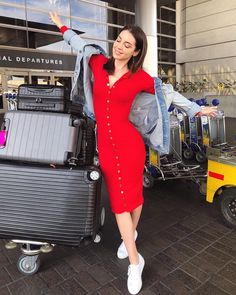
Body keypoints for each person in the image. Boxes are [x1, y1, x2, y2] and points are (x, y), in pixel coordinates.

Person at [49, 12, 217, 295]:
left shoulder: (140, 78)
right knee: (119, 201)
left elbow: (168, 93)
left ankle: (134, 258)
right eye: (118, 40)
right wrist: (62, 27)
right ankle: (133, 246)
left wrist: (195, 109)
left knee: (131, 197)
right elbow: (79, 45)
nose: (119, 46)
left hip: (130, 146)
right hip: (107, 147)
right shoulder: (99, 64)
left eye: (127, 44)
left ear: (136, 51)